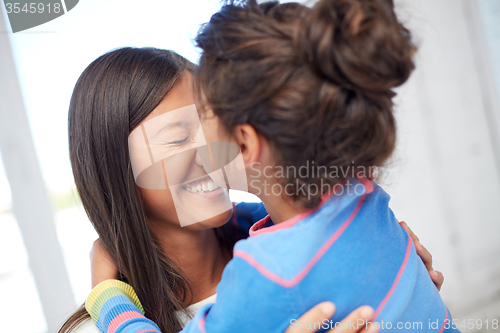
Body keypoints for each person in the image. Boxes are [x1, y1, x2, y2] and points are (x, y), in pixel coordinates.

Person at [81, 0, 453, 332]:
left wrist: (107, 296)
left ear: (245, 143)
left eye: (206, 120)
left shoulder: (263, 276)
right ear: (115, 171)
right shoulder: (361, 195)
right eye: (178, 138)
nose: (205, 150)